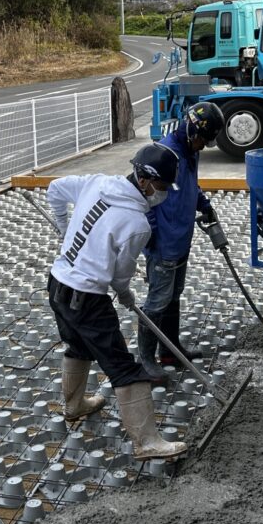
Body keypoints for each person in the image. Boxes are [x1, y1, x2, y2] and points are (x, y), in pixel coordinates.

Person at [46, 142, 187, 459]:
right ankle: (147, 442)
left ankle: (74, 405)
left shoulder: (96, 182)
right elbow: (120, 276)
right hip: (87, 297)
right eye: (161, 185)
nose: (162, 192)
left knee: (78, 346)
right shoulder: (137, 224)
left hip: (57, 283)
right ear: (145, 181)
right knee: (124, 368)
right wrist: (125, 294)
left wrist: (65, 231)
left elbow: (55, 188)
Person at [139, 101, 225, 380]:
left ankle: (170, 349)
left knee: (173, 297)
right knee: (157, 301)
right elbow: (144, 197)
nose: (203, 146)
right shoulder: (163, 155)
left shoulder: (190, 151)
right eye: (203, 139)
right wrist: (151, 236)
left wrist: (204, 205)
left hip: (181, 241)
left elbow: (191, 184)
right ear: (191, 128)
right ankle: (147, 359)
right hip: (163, 244)